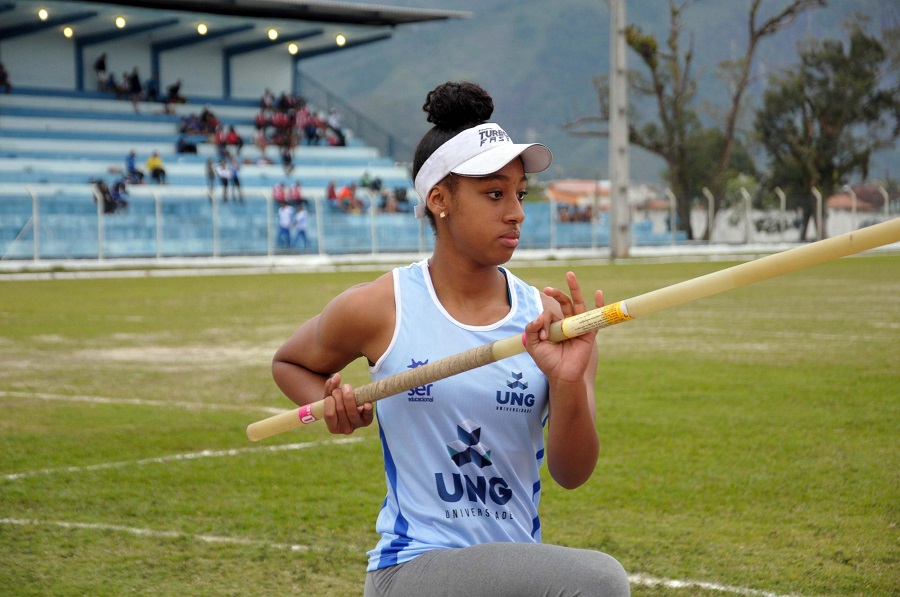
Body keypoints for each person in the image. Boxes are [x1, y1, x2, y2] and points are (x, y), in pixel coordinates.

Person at [271, 81, 630, 597]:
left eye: (519, 193)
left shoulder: (549, 320)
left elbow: (572, 473)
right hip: (413, 568)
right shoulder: (382, 306)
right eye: (494, 194)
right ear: (439, 199)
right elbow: (289, 363)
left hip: (513, 571)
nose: (517, 212)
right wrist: (329, 408)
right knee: (600, 583)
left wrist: (570, 381)